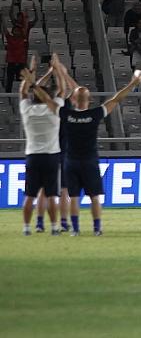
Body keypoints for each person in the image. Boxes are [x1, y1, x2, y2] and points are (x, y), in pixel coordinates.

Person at [60, 63, 141, 235]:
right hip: (90, 161)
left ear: (73, 100)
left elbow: (50, 100)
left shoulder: (66, 114)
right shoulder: (95, 114)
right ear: (89, 99)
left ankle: (75, 230)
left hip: (71, 161)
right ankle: (97, 229)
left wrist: (57, 74)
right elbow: (116, 99)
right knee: (94, 198)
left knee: (73, 197)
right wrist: (133, 83)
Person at [19, 56, 62, 235]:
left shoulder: (27, 110)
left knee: (30, 195)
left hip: (33, 155)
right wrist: (56, 70)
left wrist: (32, 73)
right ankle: (53, 227)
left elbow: (23, 93)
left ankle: (27, 228)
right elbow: (61, 90)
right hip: (51, 155)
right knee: (52, 195)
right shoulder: (54, 109)